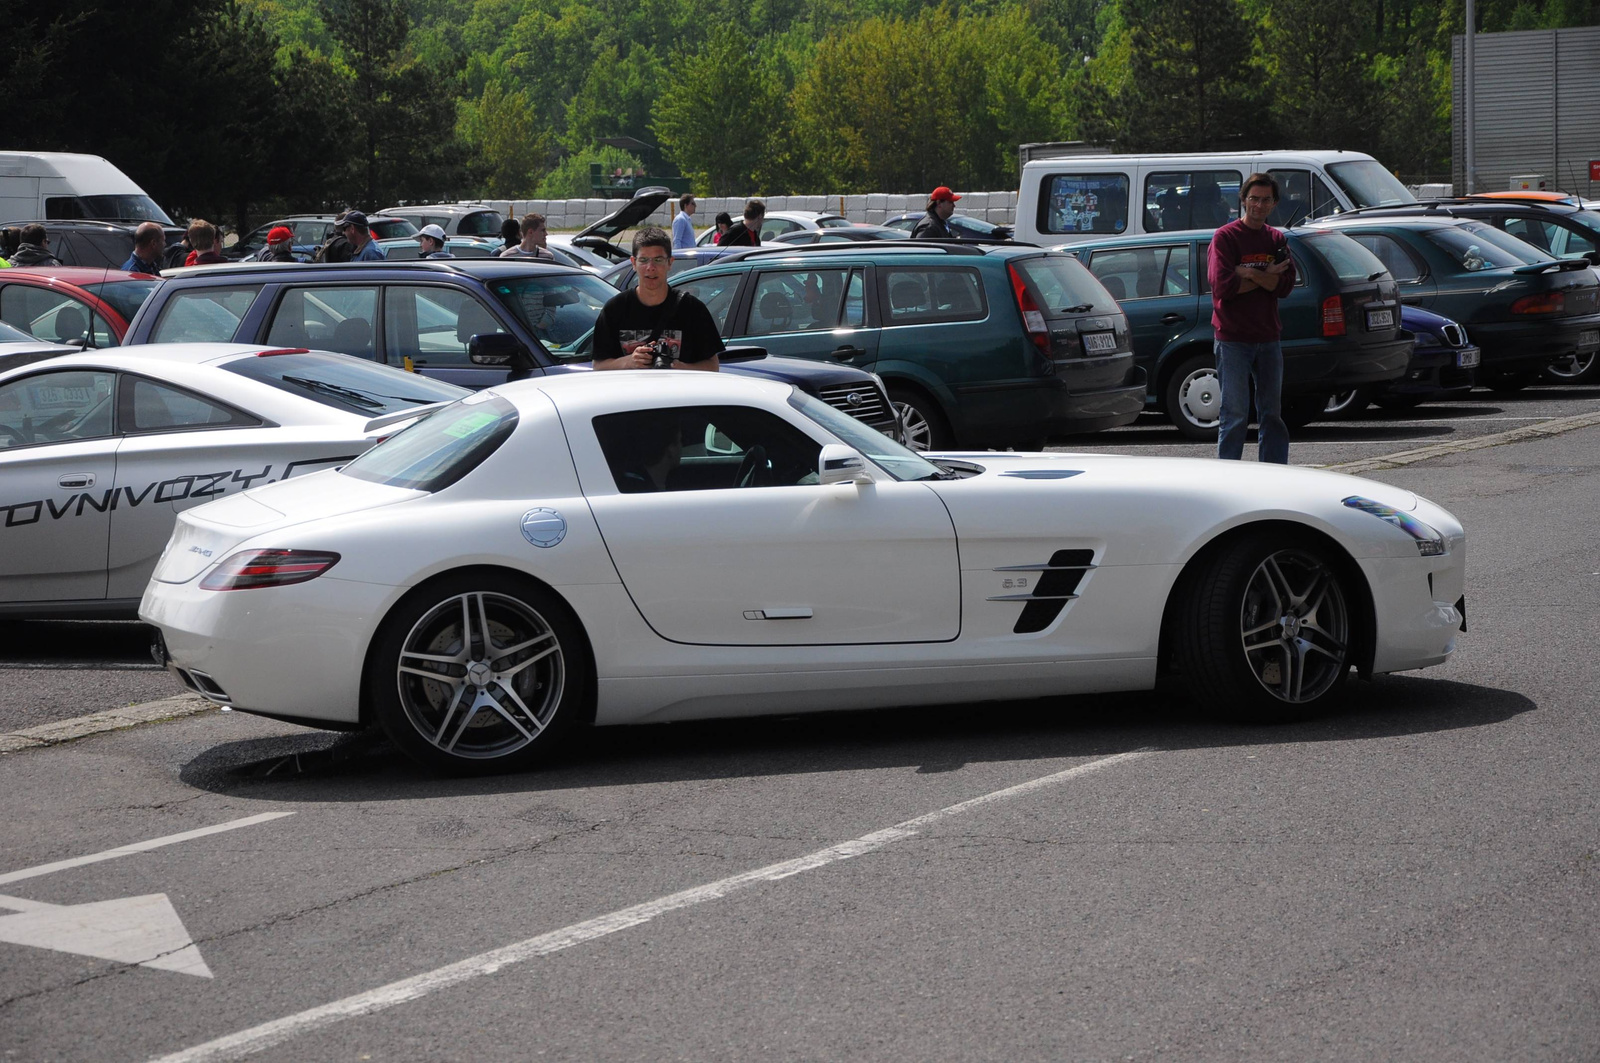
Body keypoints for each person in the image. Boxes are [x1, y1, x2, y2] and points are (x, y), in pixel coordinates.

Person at [1208, 172, 1296, 464]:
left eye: (1266, 200)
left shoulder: (1276, 239)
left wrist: (1248, 273)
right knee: (1234, 414)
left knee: (1272, 414)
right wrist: (1265, 276)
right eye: (1254, 199)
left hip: (1268, 338)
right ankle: (1229, 477)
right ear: (1243, 200)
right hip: (1233, 339)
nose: (1259, 205)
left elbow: (1284, 287)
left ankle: (1275, 473)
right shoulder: (1225, 237)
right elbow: (1222, 288)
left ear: (1274, 203)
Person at [592, 227, 722, 373]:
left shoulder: (692, 309)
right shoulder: (615, 309)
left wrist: (683, 369)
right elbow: (598, 366)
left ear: (670, 263)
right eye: (644, 260)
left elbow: (713, 365)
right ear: (633, 263)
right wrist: (629, 361)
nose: (651, 267)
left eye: (658, 260)